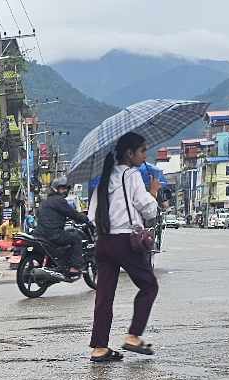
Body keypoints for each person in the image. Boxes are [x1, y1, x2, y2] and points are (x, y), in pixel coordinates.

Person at [87, 132, 160, 363]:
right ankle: (133, 335)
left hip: (104, 242)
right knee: (149, 286)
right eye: (143, 151)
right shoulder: (132, 175)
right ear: (130, 153)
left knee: (104, 297)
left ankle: (99, 347)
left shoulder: (104, 179)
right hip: (125, 241)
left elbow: (91, 215)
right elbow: (148, 209)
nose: (144, 155)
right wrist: (154, 193)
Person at [35, 180, 90, 274]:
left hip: (39, 233)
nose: (64, 191)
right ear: (55, 189)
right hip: (53, 234)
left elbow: (38, 215)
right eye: (62, 188)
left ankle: (58, 263)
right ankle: (74, 267)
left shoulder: (45, 201)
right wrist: (85, 218)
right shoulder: (59, 201)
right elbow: (72, 213)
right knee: (76, 238)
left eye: (66, 188)